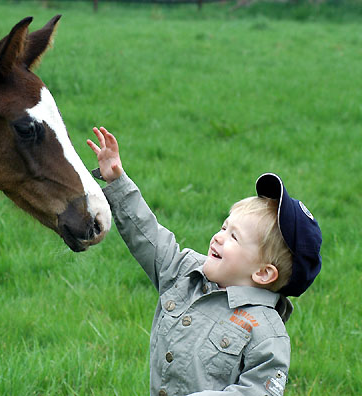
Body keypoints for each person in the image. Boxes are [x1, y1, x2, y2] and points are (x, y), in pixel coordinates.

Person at [87, 126, 322, 396]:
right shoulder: (186, 272)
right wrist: (118, 182)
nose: (218, 238)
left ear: (263, 273)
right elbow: (149, 237)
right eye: (224, 227)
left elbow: (257, 391)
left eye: (234, 237)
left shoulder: (267, 334)